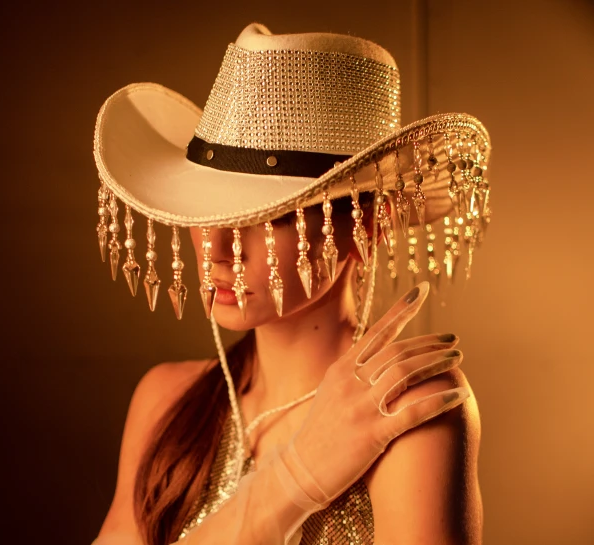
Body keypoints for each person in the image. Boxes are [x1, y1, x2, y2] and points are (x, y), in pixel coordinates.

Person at [91, 22, 490, 545]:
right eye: (204, 212)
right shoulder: (166, 400)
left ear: (369, 226)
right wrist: (295, 478)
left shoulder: (408, 412)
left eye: (271, 216)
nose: (215, 251)